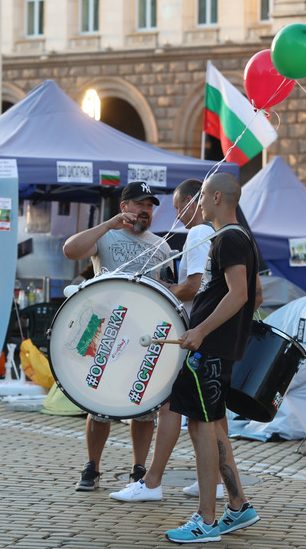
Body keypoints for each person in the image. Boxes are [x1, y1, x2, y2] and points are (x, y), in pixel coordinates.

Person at [108, 178, 226, 503]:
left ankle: (152, 481)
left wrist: (158, 289)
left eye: (177, 207)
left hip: (191, 332)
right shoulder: (217, 234)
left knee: (172, 406)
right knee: (212, 413)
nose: (177, 215)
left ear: (193, 201)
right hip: (205, 333)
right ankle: (215, 481)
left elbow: (195, 286)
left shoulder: (200, 233)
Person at [165, 172, 263, 543]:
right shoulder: (238, 238)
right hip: (216, 349)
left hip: (210, 350)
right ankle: (238, 507)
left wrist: (203, 331)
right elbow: (252, 295)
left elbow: (239, 294)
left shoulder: (229, 239)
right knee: (211, 425)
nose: (199, 204)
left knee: (202, 428)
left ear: (218, 197)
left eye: (203, 197)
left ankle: (205, 521)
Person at [61, 181, 172, 491]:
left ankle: (138, 468)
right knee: (100, 402)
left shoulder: (161, 246)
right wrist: (109, 224)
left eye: (150, 205)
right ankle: (92, 466)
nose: (145, 210)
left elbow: (169, 294)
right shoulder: (106, 236)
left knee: (144, 402)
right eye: (139, 204)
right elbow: (70, 251)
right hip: (103, 331)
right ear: (124, 207)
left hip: (143, 334)